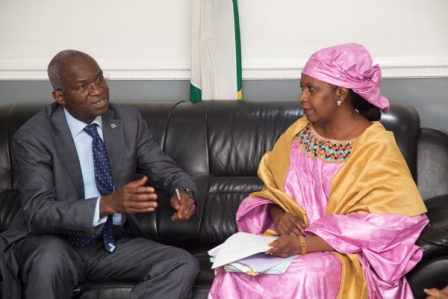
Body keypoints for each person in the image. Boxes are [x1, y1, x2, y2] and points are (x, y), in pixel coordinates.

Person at [208, 43, 429, 298]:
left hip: (345, 255)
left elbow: (387, 224)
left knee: (301, 275)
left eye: (311, 89)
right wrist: (280, 217)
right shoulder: (297, 134)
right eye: (302, 88)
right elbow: (272, 194)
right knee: (235, 271)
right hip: (290, 245)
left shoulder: (375, 146)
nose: (302, 97)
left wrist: (304, 244)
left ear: (341, 93)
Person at [0, 50, 200, 299]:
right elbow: (39, 212)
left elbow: (165, 170)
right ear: (60, 96)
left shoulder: (127, 121)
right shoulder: (34, 137)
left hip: (110, 242)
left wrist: (183, 192)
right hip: (54, 241)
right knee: (49, 259)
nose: (97, 90)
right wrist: (107, 204)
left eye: (99, 79)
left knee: (181, 263)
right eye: (83, 86)